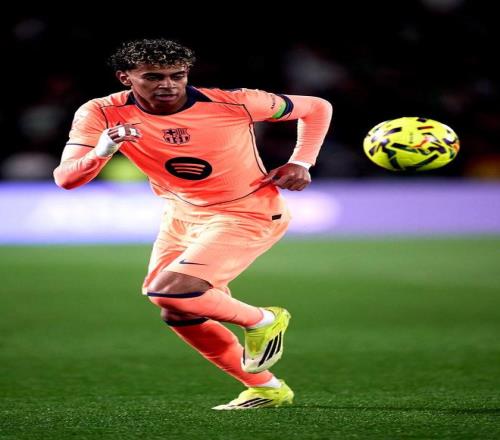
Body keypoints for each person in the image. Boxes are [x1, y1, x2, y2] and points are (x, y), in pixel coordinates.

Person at [53, 38, 332, 410]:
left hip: (246, 212)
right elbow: (66, 179)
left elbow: (317, 107)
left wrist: (302, 161)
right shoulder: (101, 113)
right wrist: (102, 151)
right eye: (153, 77)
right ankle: (266, 389)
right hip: (181, 215)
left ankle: (264, 320)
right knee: (177, 309)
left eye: (177, 75)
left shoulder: (236, 103)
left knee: (168, 291)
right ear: (125, 78)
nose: (167, 84)